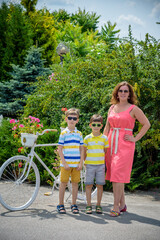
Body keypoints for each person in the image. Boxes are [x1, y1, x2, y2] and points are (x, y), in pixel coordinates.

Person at [103, 81, 150, 217]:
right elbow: (107, 127)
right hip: (111, 143)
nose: (123, 93)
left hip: (125, 144)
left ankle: (116, 206)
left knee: (118, 175)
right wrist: (103, 143)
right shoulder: (112, 108)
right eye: (120, 90)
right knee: (114, 175)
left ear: (129, 94)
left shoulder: (133, 109)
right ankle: (122, 204)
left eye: (126, 91)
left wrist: (135, 138)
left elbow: (146, 124)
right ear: (117, 93)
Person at [57, 108, 84, 214]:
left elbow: (82, 149)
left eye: (74, 118)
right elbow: (60, 149)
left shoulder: (79, 134)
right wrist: (64, 163)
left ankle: (74, 204)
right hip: (66, 165)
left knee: (75, 184)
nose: (72, 120)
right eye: (70, 118)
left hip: (76, 164)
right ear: (66, 119)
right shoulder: (63, 133)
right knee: (63, 183)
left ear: (77, 120)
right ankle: (60, 204)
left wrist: (81, 163)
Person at [84, 114, 109, 214]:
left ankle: (98, 205)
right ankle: (88, 205)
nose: (96, 127)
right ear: (90, 125)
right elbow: (84, 151)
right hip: (89, 165)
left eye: (98, 125)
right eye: (94, 125)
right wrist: (85, 162)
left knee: (100, 185)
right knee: (88, 185)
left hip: (100, 166)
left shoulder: (104, 138)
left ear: (101, 126)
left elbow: (105, 151)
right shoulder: (87, 138)